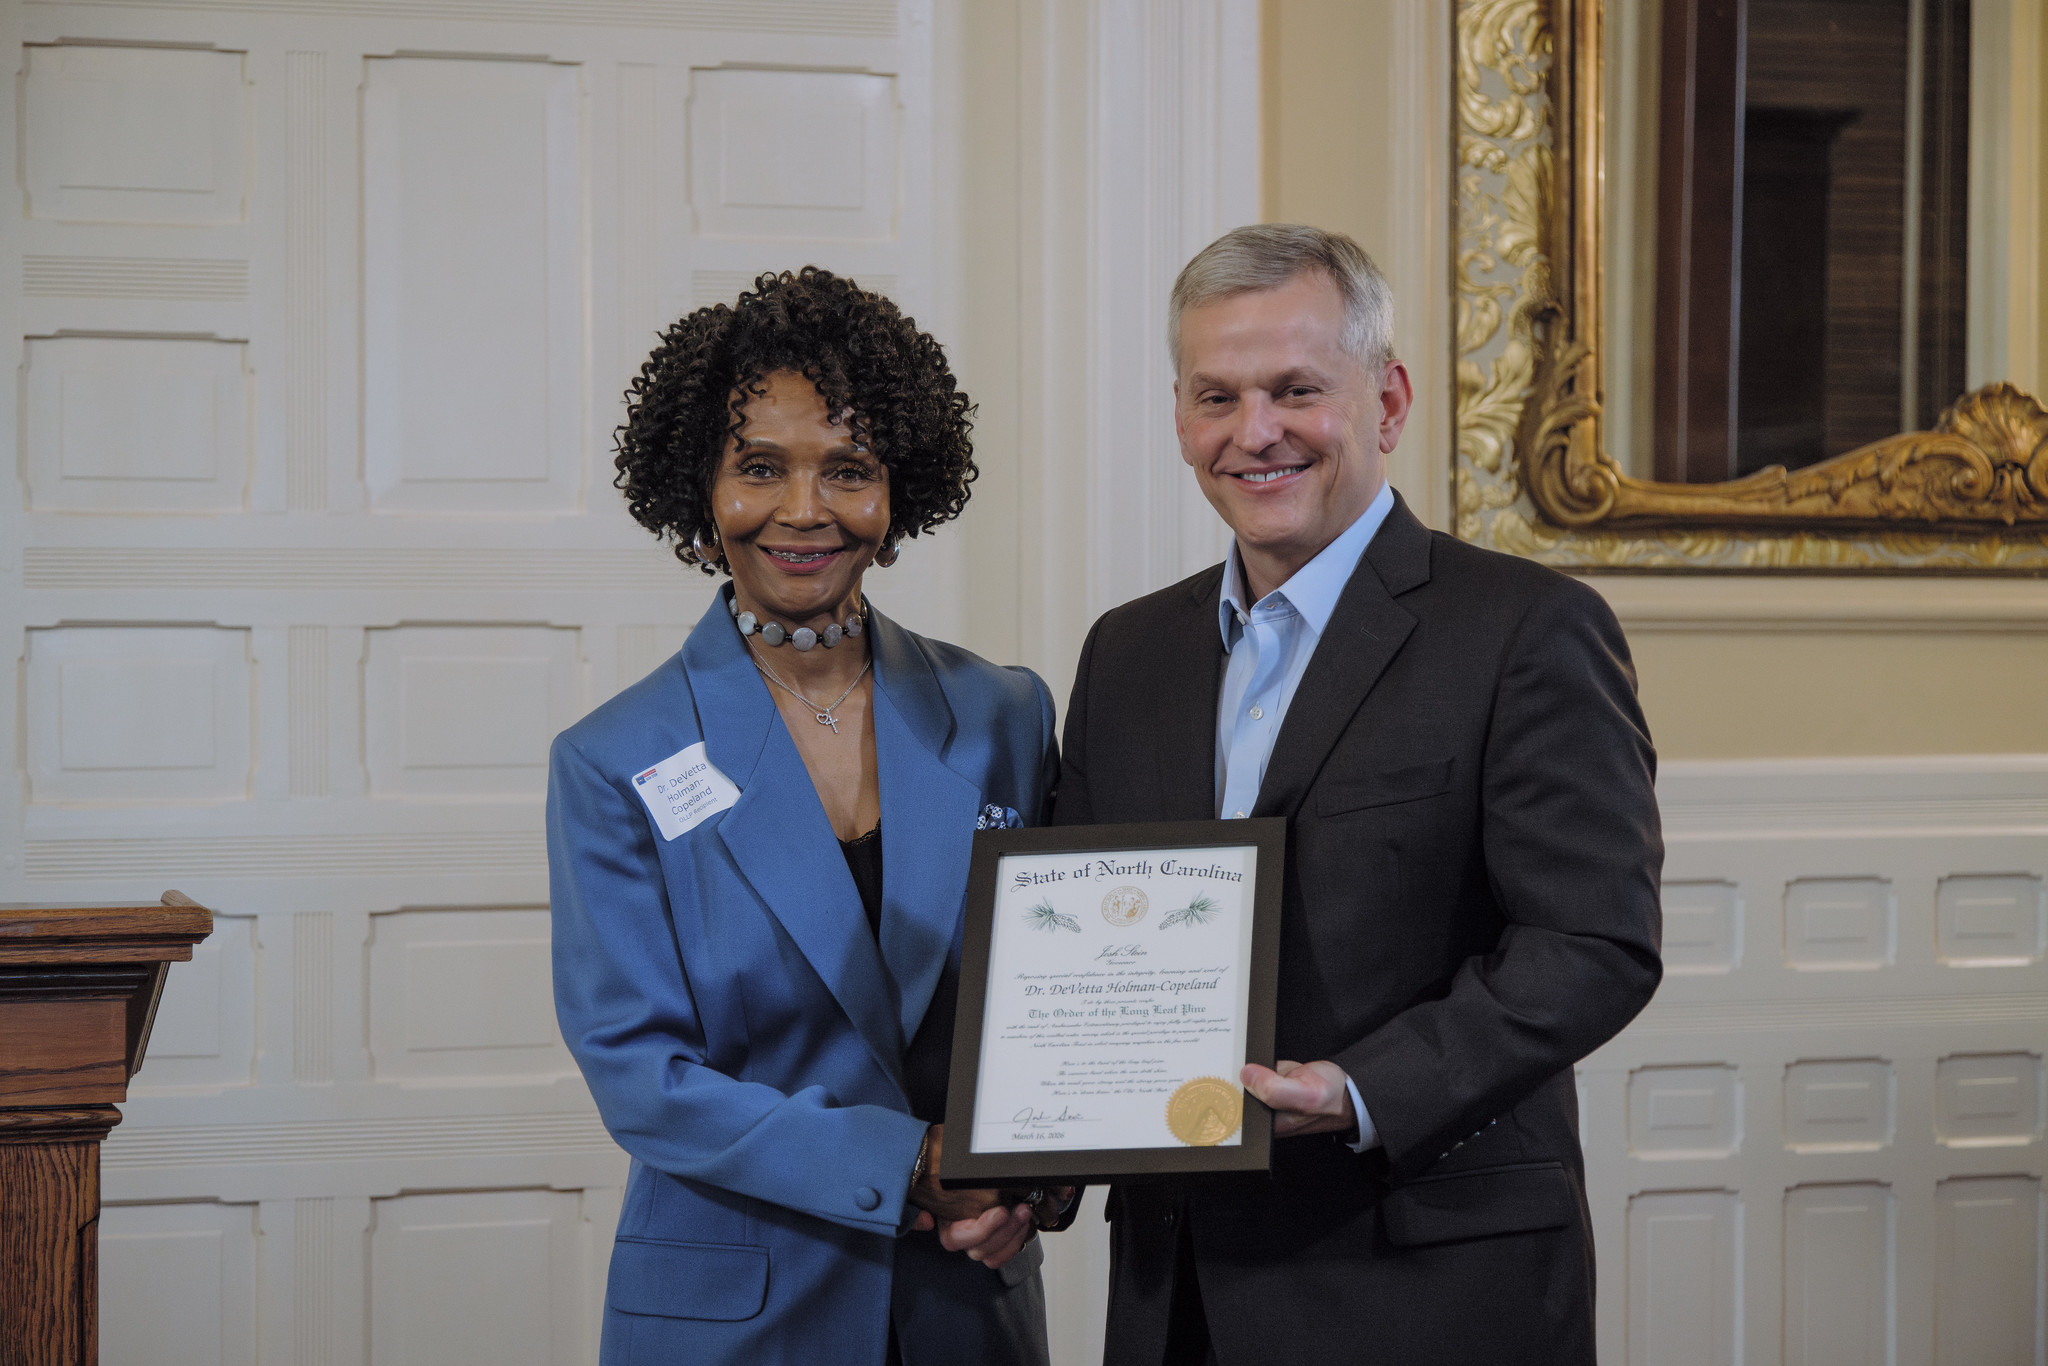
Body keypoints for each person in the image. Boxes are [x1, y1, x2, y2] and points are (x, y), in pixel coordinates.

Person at [1054, 225, 1664, 1364]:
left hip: (1427, 1280)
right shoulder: (1126, 652)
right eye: (1216, 397)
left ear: (1386, 402)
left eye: (1295, 390)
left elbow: (1593, 942)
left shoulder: (1526, 630)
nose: (1254, 433)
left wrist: (1358, 1089)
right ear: (1179, 418)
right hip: (1176, 1290)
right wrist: (1015, 1168)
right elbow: (1081, 947)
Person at [549, 268, 1067, 1366]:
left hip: (963, 1306)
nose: (802, 509)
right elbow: (643, 1076)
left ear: (897, 492)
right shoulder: (612, 759)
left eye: (847, 469)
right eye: (758, 468)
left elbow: (1057, 1005)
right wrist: (914, 1161)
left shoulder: (1002, 715)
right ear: (700, 489)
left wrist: (1030, 1178)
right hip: (735, 1312)